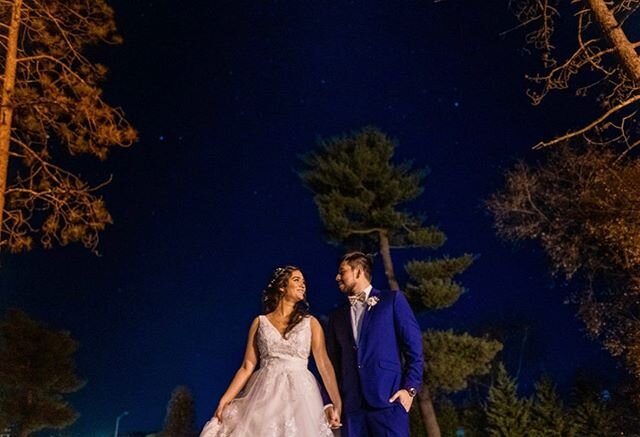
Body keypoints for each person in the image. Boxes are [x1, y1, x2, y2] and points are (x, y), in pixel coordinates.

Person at [200, 265, 342, 437]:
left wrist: (336, 402)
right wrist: (225, 399)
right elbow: (247, 366)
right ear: (282, 287)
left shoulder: (310, 323)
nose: (303, 285)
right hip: (264, 394)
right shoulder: (260, 323)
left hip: (301, 396)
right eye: (296, 280)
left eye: (304, 282)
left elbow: (324, 363)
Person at [323, 252, 424, 437]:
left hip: (389, 403)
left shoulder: (392, 301)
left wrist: (409, 390)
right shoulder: (336, 318)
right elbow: (330, 364)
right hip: (352, 409)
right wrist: (329, 401)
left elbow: (414, 349)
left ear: (359, 272)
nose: (337, 277)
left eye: (342, 272)